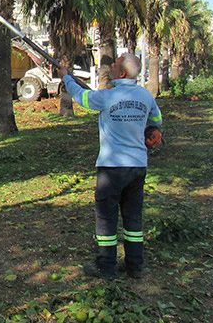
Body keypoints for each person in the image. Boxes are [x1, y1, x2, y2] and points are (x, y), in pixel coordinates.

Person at [61, 52, 162, 280]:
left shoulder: (107, 97)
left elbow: (81, 97)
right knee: (133, 216)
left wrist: (66, 78)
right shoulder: (146, 97)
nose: (111, 67)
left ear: (123, 72)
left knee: (106, 217)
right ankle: (135, 266)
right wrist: (151, 132)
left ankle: (106, 266)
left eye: (115, 65)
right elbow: (157, 120)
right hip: (137, 167)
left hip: (112, 168)